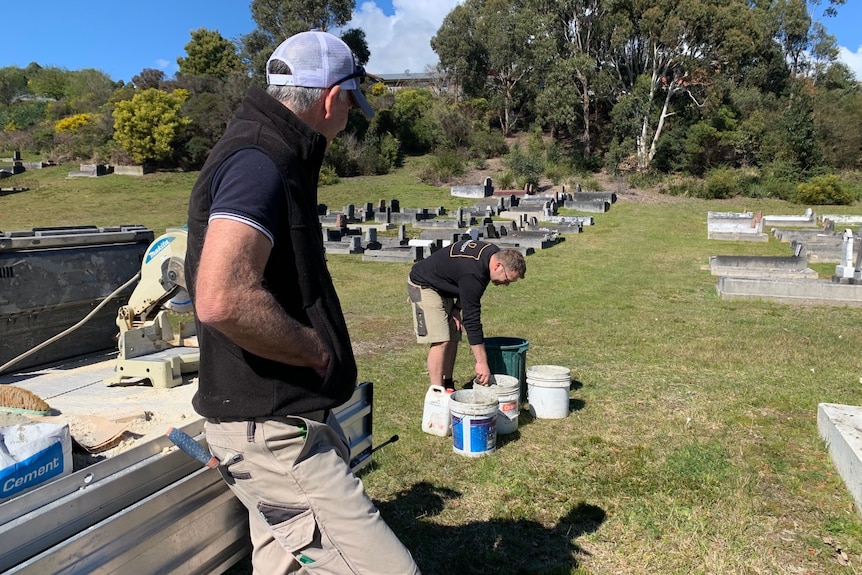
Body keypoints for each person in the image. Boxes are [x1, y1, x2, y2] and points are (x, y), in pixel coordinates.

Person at [185, 30, 420, 575]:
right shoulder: (260, 161)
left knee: (284, 563)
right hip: (271, 432)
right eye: (350, 107)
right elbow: (221, 298)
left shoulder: (270, 151)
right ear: (332, 98)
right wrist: (314, 351)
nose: (346, 123)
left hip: (279, 418)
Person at [407, 239, 526, 391]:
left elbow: (471, 292)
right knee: (441, 340)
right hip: (424, 284)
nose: (506, 284)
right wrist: (481, 362)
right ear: (498, 266)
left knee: (453, 333)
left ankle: (448, 383)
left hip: (445, 285)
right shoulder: (473, 273)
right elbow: (472, 320)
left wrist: (456, 308)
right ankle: (436, 394)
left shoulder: (493, 255)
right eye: (507, 279)